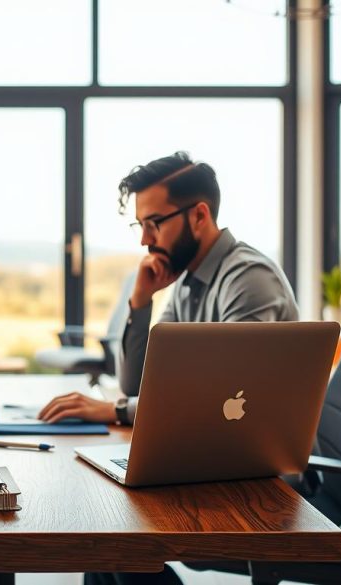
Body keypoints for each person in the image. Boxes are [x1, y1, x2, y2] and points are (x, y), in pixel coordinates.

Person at [38, 151, 298, 425]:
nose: (144, 240)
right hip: (207, 448)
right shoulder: (186, 283)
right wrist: (140, 300)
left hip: (259, 463)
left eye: (154, 224)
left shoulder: (248, 278)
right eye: (140, 225)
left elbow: (227, 402)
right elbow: (137, 386)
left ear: (199, 216)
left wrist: (115, 411)